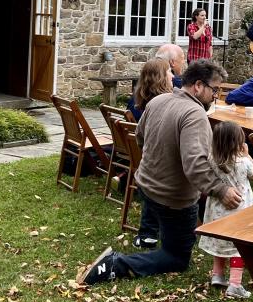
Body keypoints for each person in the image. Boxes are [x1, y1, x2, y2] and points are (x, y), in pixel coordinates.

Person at [77, 60, 242, 285]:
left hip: (145, 186)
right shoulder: (195, 115)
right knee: (177, 258)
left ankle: (160, 235)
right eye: (214, 90)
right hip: (172, 199)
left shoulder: (158, 100)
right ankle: (116, 265)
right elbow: (195, 165)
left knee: (179, 234)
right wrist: (221, 190)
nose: (216, 96)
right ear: (198, 86)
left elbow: (140, 138)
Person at [197, 122, 253, 299]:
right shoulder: (242, 161)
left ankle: (217, 274)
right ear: (237, 142)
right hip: (239, 210)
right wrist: (248, 156)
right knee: (237, 248)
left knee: (221, 242)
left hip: (217, 210)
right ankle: (235, 284)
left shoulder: (211, 159)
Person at [128, 58, 175, 250]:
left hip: (145, 161)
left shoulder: (139, 99)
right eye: (170, 72)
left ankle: (147, 233)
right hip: (156, 162)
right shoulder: (159, 105)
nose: (173, 76)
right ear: (161, 78)